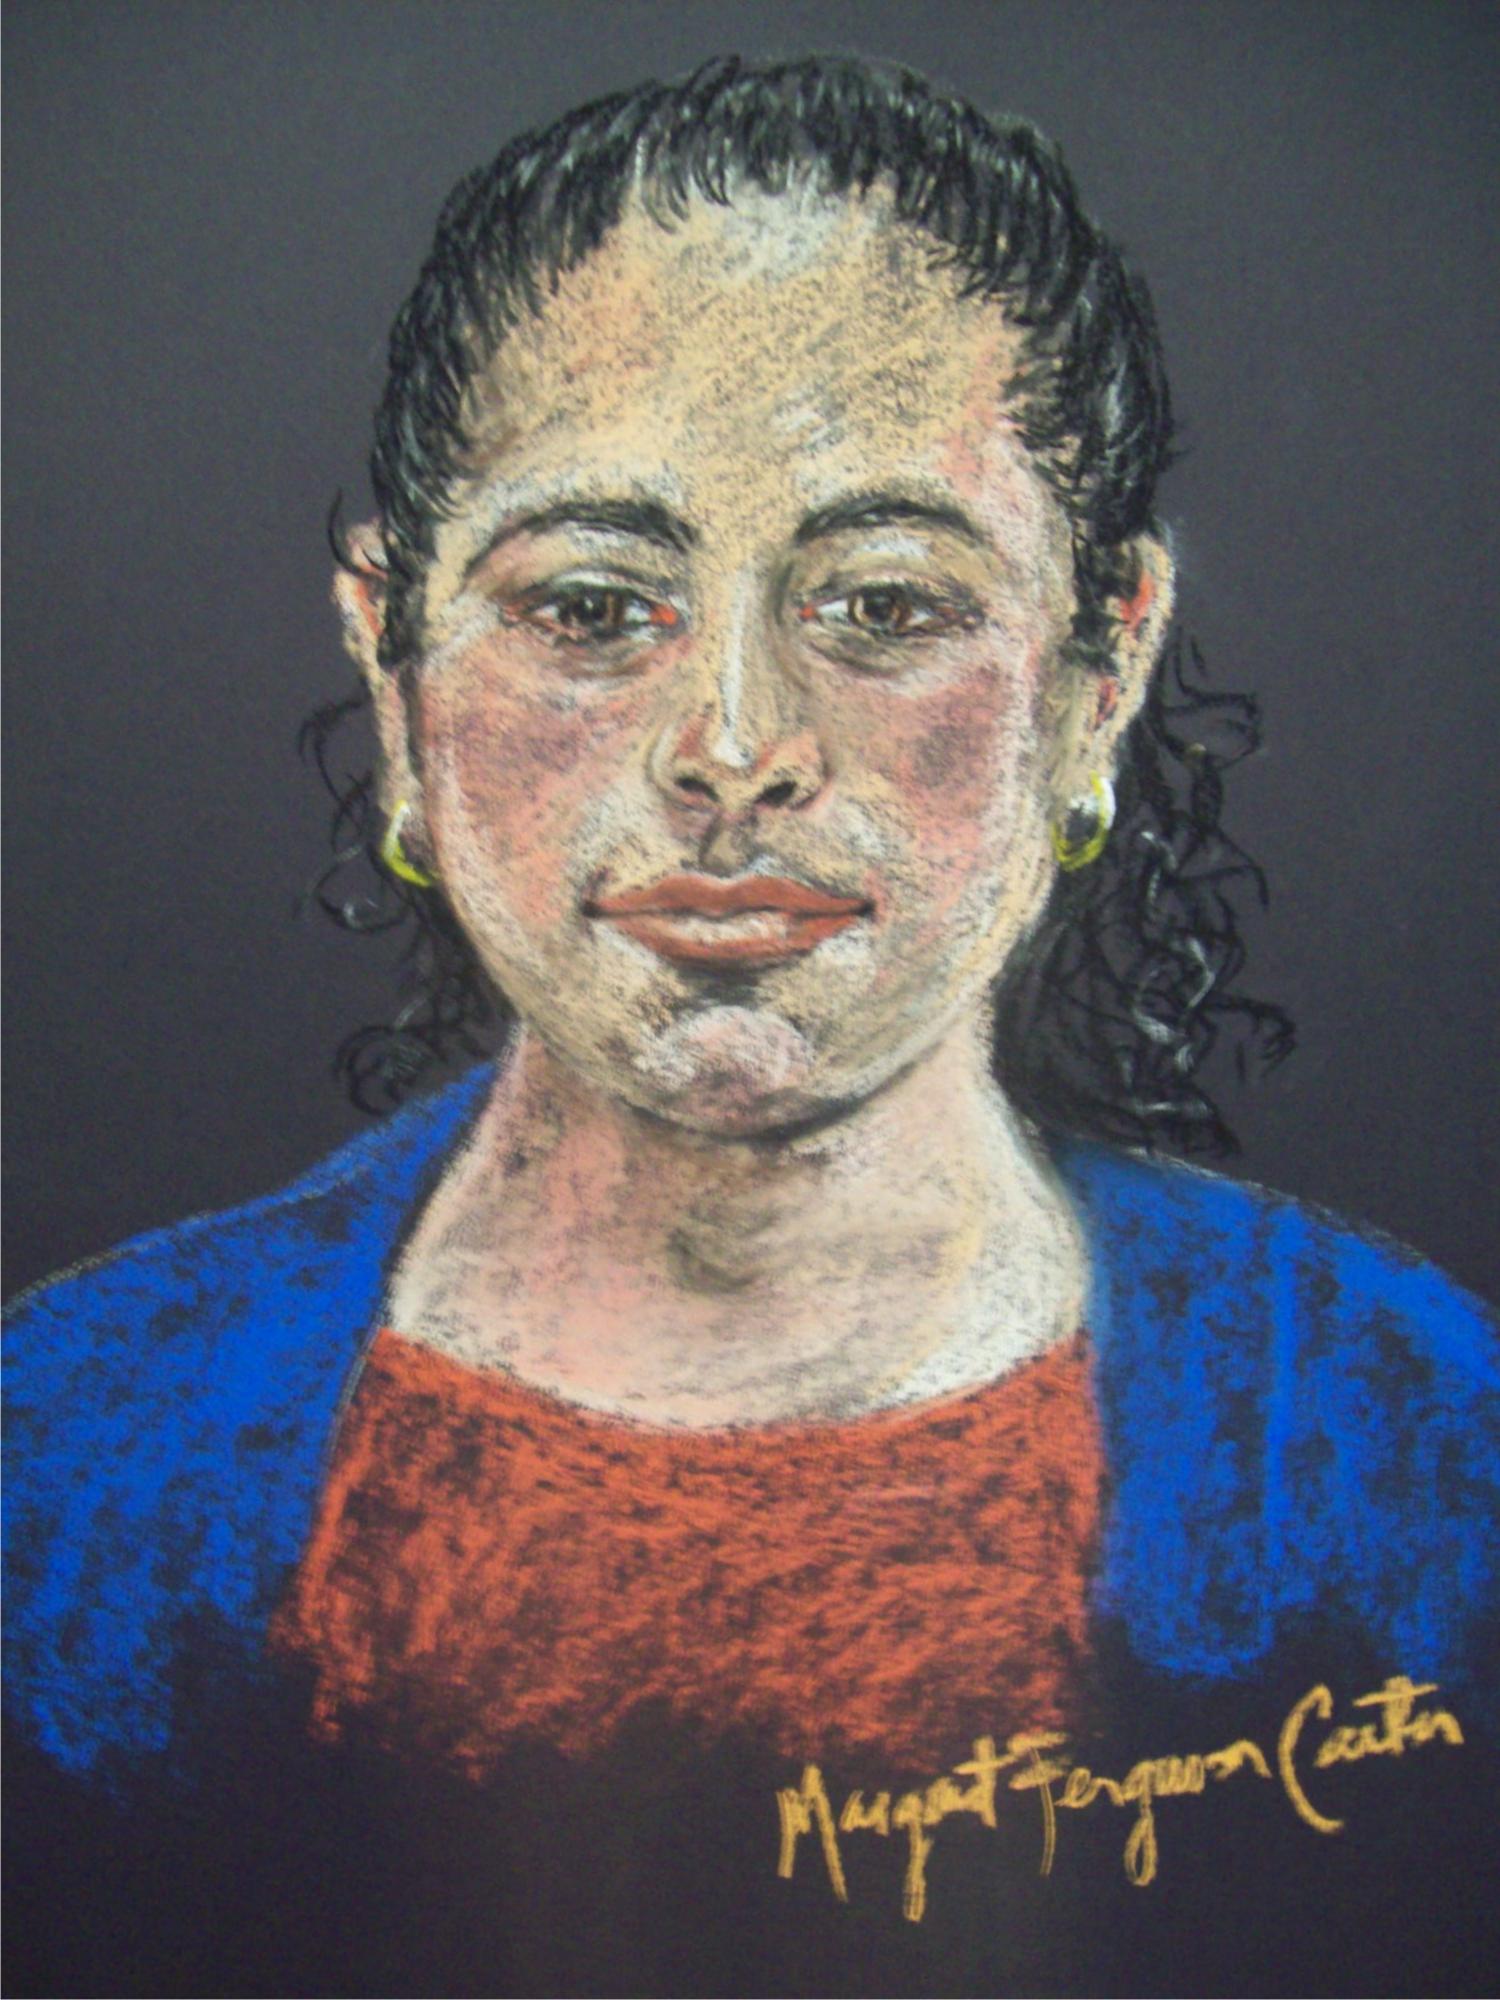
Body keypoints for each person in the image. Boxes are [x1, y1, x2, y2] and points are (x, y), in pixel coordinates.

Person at [6, 54, 1496, 1998]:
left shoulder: (1421, 1453)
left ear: (1100, 671)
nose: (731, 746)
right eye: (590, 606)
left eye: (882, 604)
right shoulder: (59, 1465)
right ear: (395, 665)